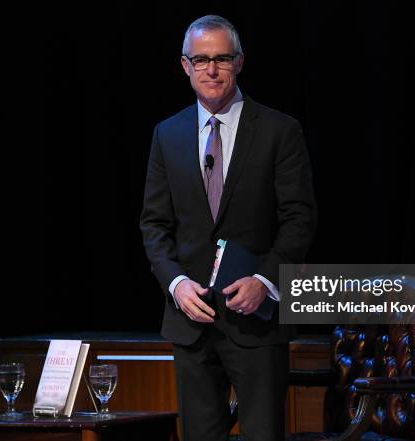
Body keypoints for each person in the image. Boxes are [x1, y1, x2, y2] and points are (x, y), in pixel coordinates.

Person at [140, 15, 317, 441]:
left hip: (256, 321)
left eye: (221, 58)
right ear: (186, 66)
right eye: (201, 60)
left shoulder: (279, 130)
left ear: (239, 62)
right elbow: (154, 224)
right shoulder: (168, 134)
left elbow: (300, 218)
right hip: (191, 323)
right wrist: (176, 284)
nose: (212, 70)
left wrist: (264, 279)